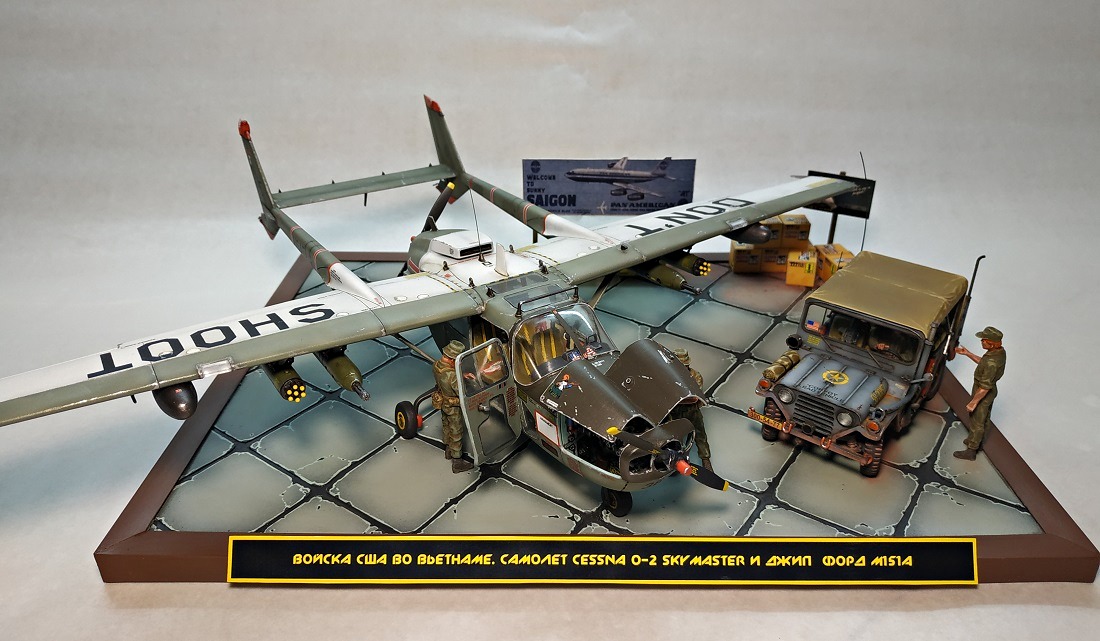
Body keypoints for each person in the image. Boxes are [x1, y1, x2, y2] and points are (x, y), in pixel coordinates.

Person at [953, 326, 1007, 461]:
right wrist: (968, 353)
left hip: (983, 392)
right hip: (988, 390)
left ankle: (971, 450)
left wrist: (973, 402)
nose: (981, 341)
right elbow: (983, 363)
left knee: (977, 421)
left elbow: (984, 387)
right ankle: (977, 441)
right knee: (984, 418)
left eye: (984, 340)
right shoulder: (997, 353)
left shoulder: (992, 362)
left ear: (991, 343)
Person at [433, 340, 473, 473]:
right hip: (453, 407)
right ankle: (457, 462)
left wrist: (462, 376)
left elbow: (445, 378)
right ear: (452, 359)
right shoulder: (452, 376)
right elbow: (460, 391)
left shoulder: (436, 366)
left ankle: (448, 450)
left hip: (442, 402)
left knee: (446, 426)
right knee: (456, 431)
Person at [671, 348, 711, 471]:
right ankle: (675, 461)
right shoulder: (669, 376)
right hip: (674, 411)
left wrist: (676, 398)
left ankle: (705, 459)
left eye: (685, 365)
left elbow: (694, 399)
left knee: (700, 434)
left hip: (691, 411)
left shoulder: (695, 376)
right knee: (672, 436)